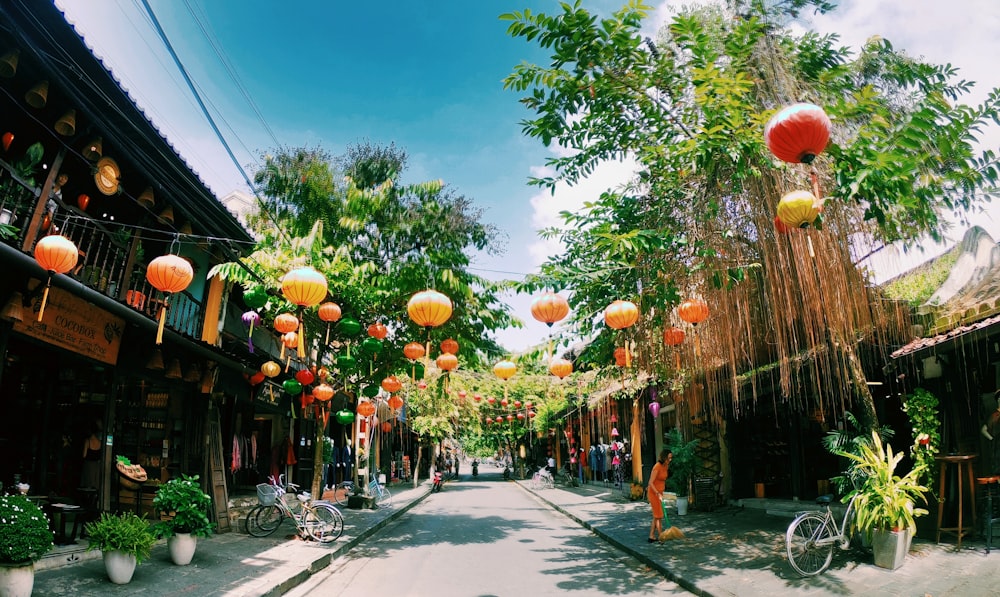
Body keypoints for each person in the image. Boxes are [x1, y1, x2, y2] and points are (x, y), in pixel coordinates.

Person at [647, 448, 672, 543]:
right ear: (664, 457)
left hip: (660, 492)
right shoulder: (657, 467)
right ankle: (661, 536)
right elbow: (650, 482)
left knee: (657, 515)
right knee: (659, 515)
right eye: (668, 458)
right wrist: (657, 493)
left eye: (671, 458)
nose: (670, 460)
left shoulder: (665, 466)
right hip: (654, 493)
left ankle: (651, 536)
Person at [81, 420, 102, 490]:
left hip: (88, 465)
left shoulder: (87, 441)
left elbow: (84, 455)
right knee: (95, 485)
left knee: (88, 484)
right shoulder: (100, 442)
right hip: (96, 466)